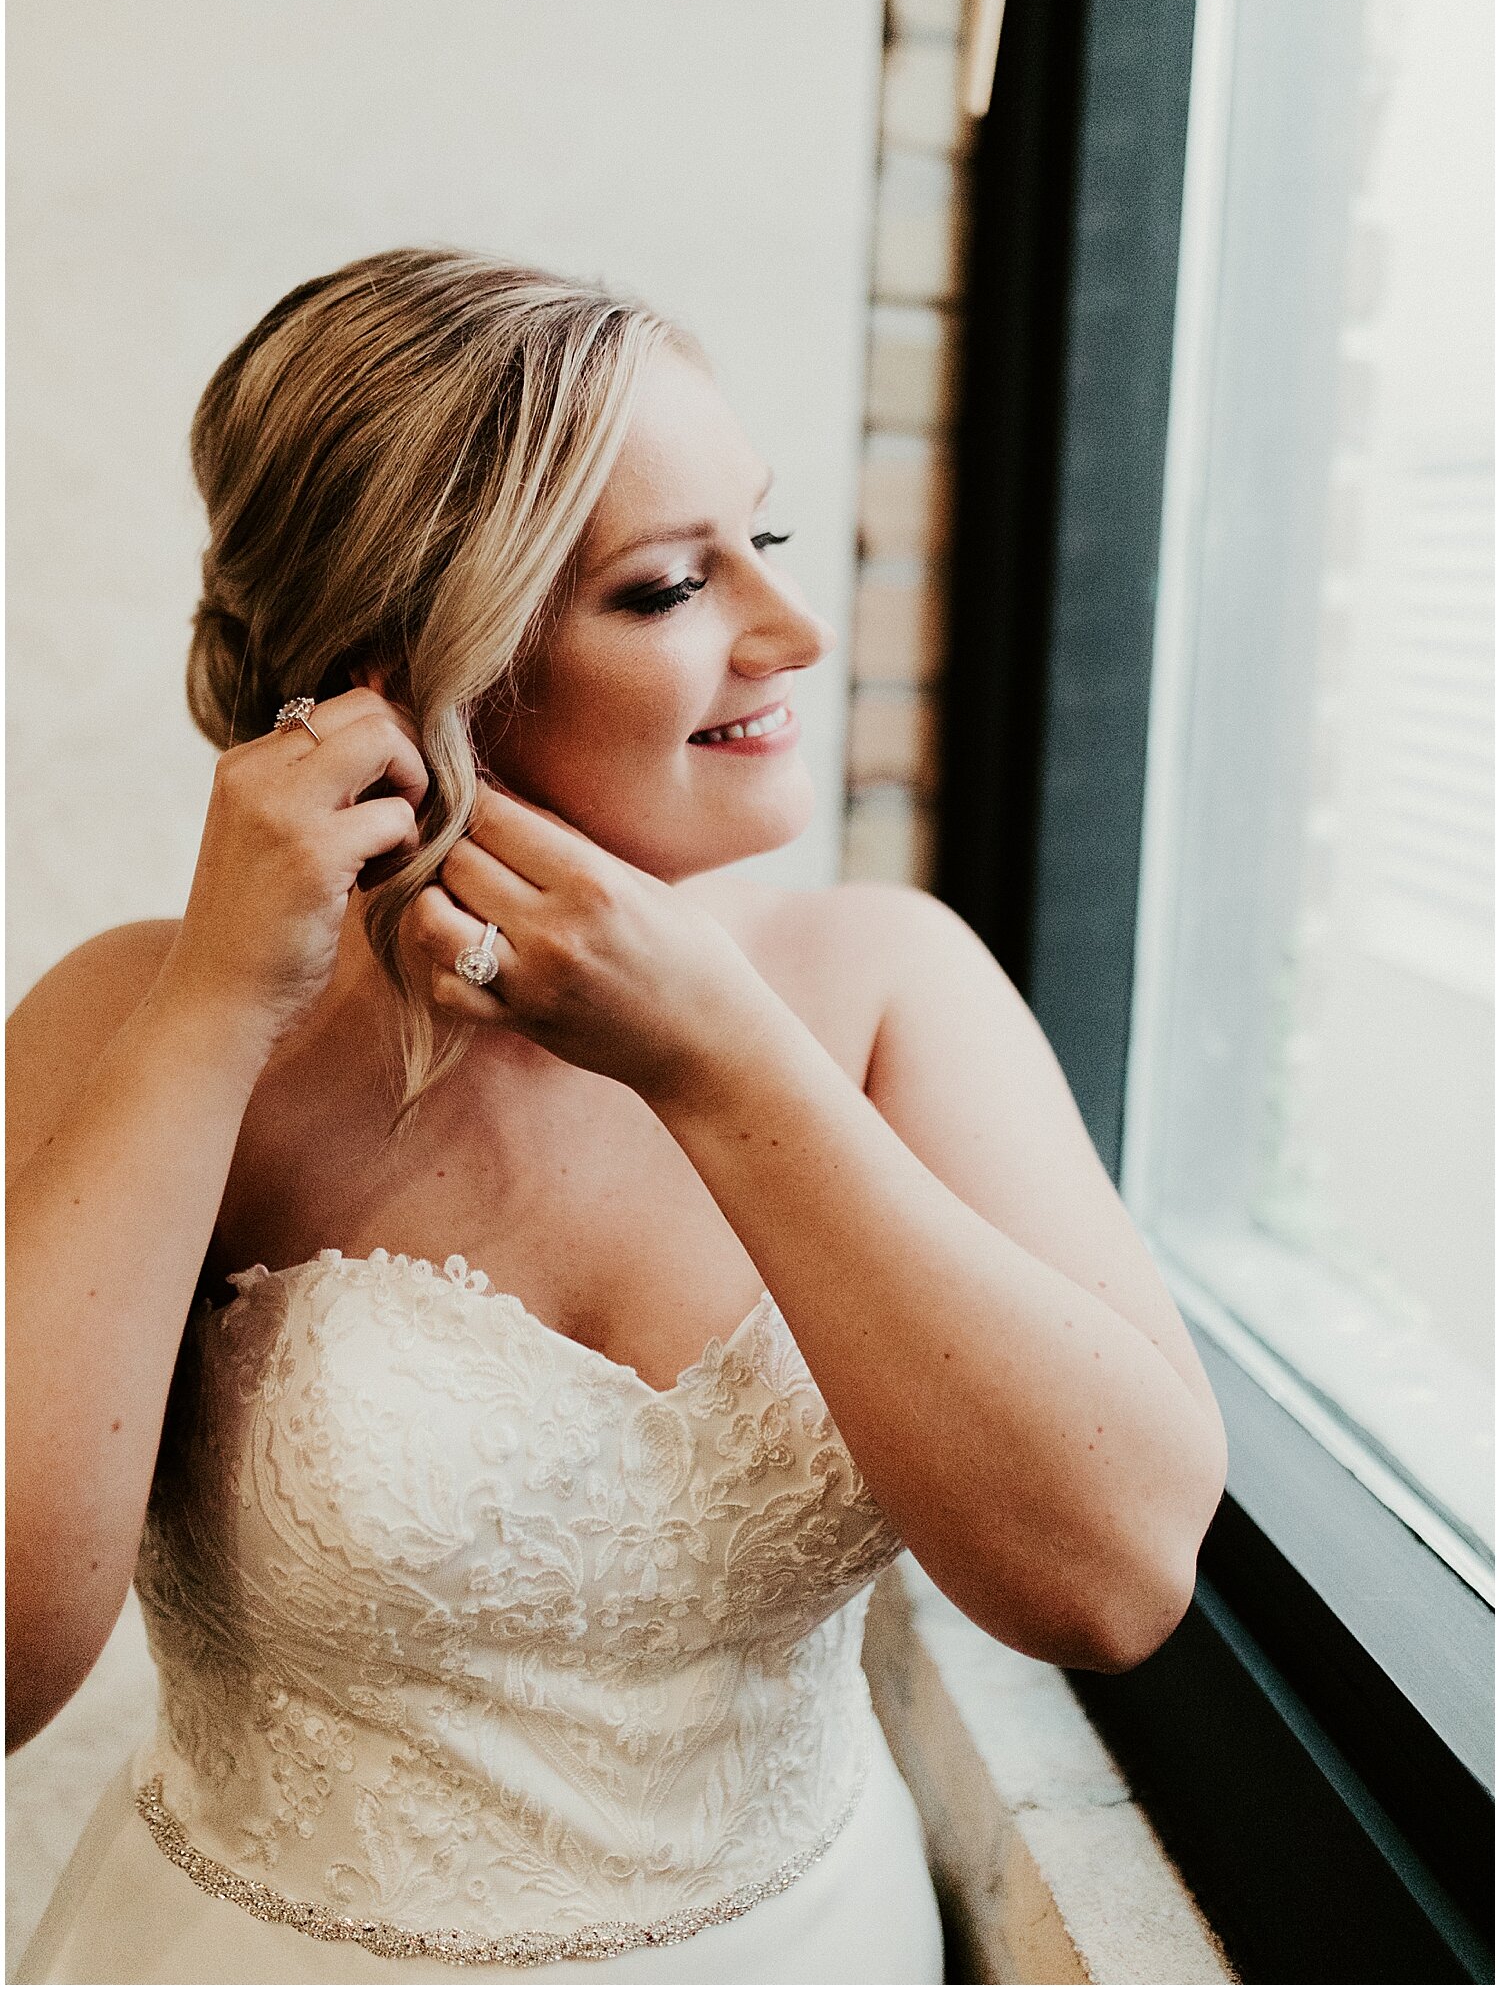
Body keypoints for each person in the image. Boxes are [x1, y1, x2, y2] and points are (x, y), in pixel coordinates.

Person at [7, 247, 1228, 1984]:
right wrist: (213, 1011)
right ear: (407, 666)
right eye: (668, 589)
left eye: (768, 542)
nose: (793, 633)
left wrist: (724, 1058)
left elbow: (1117, 1579)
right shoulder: (132, 1016)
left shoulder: (886, 984)